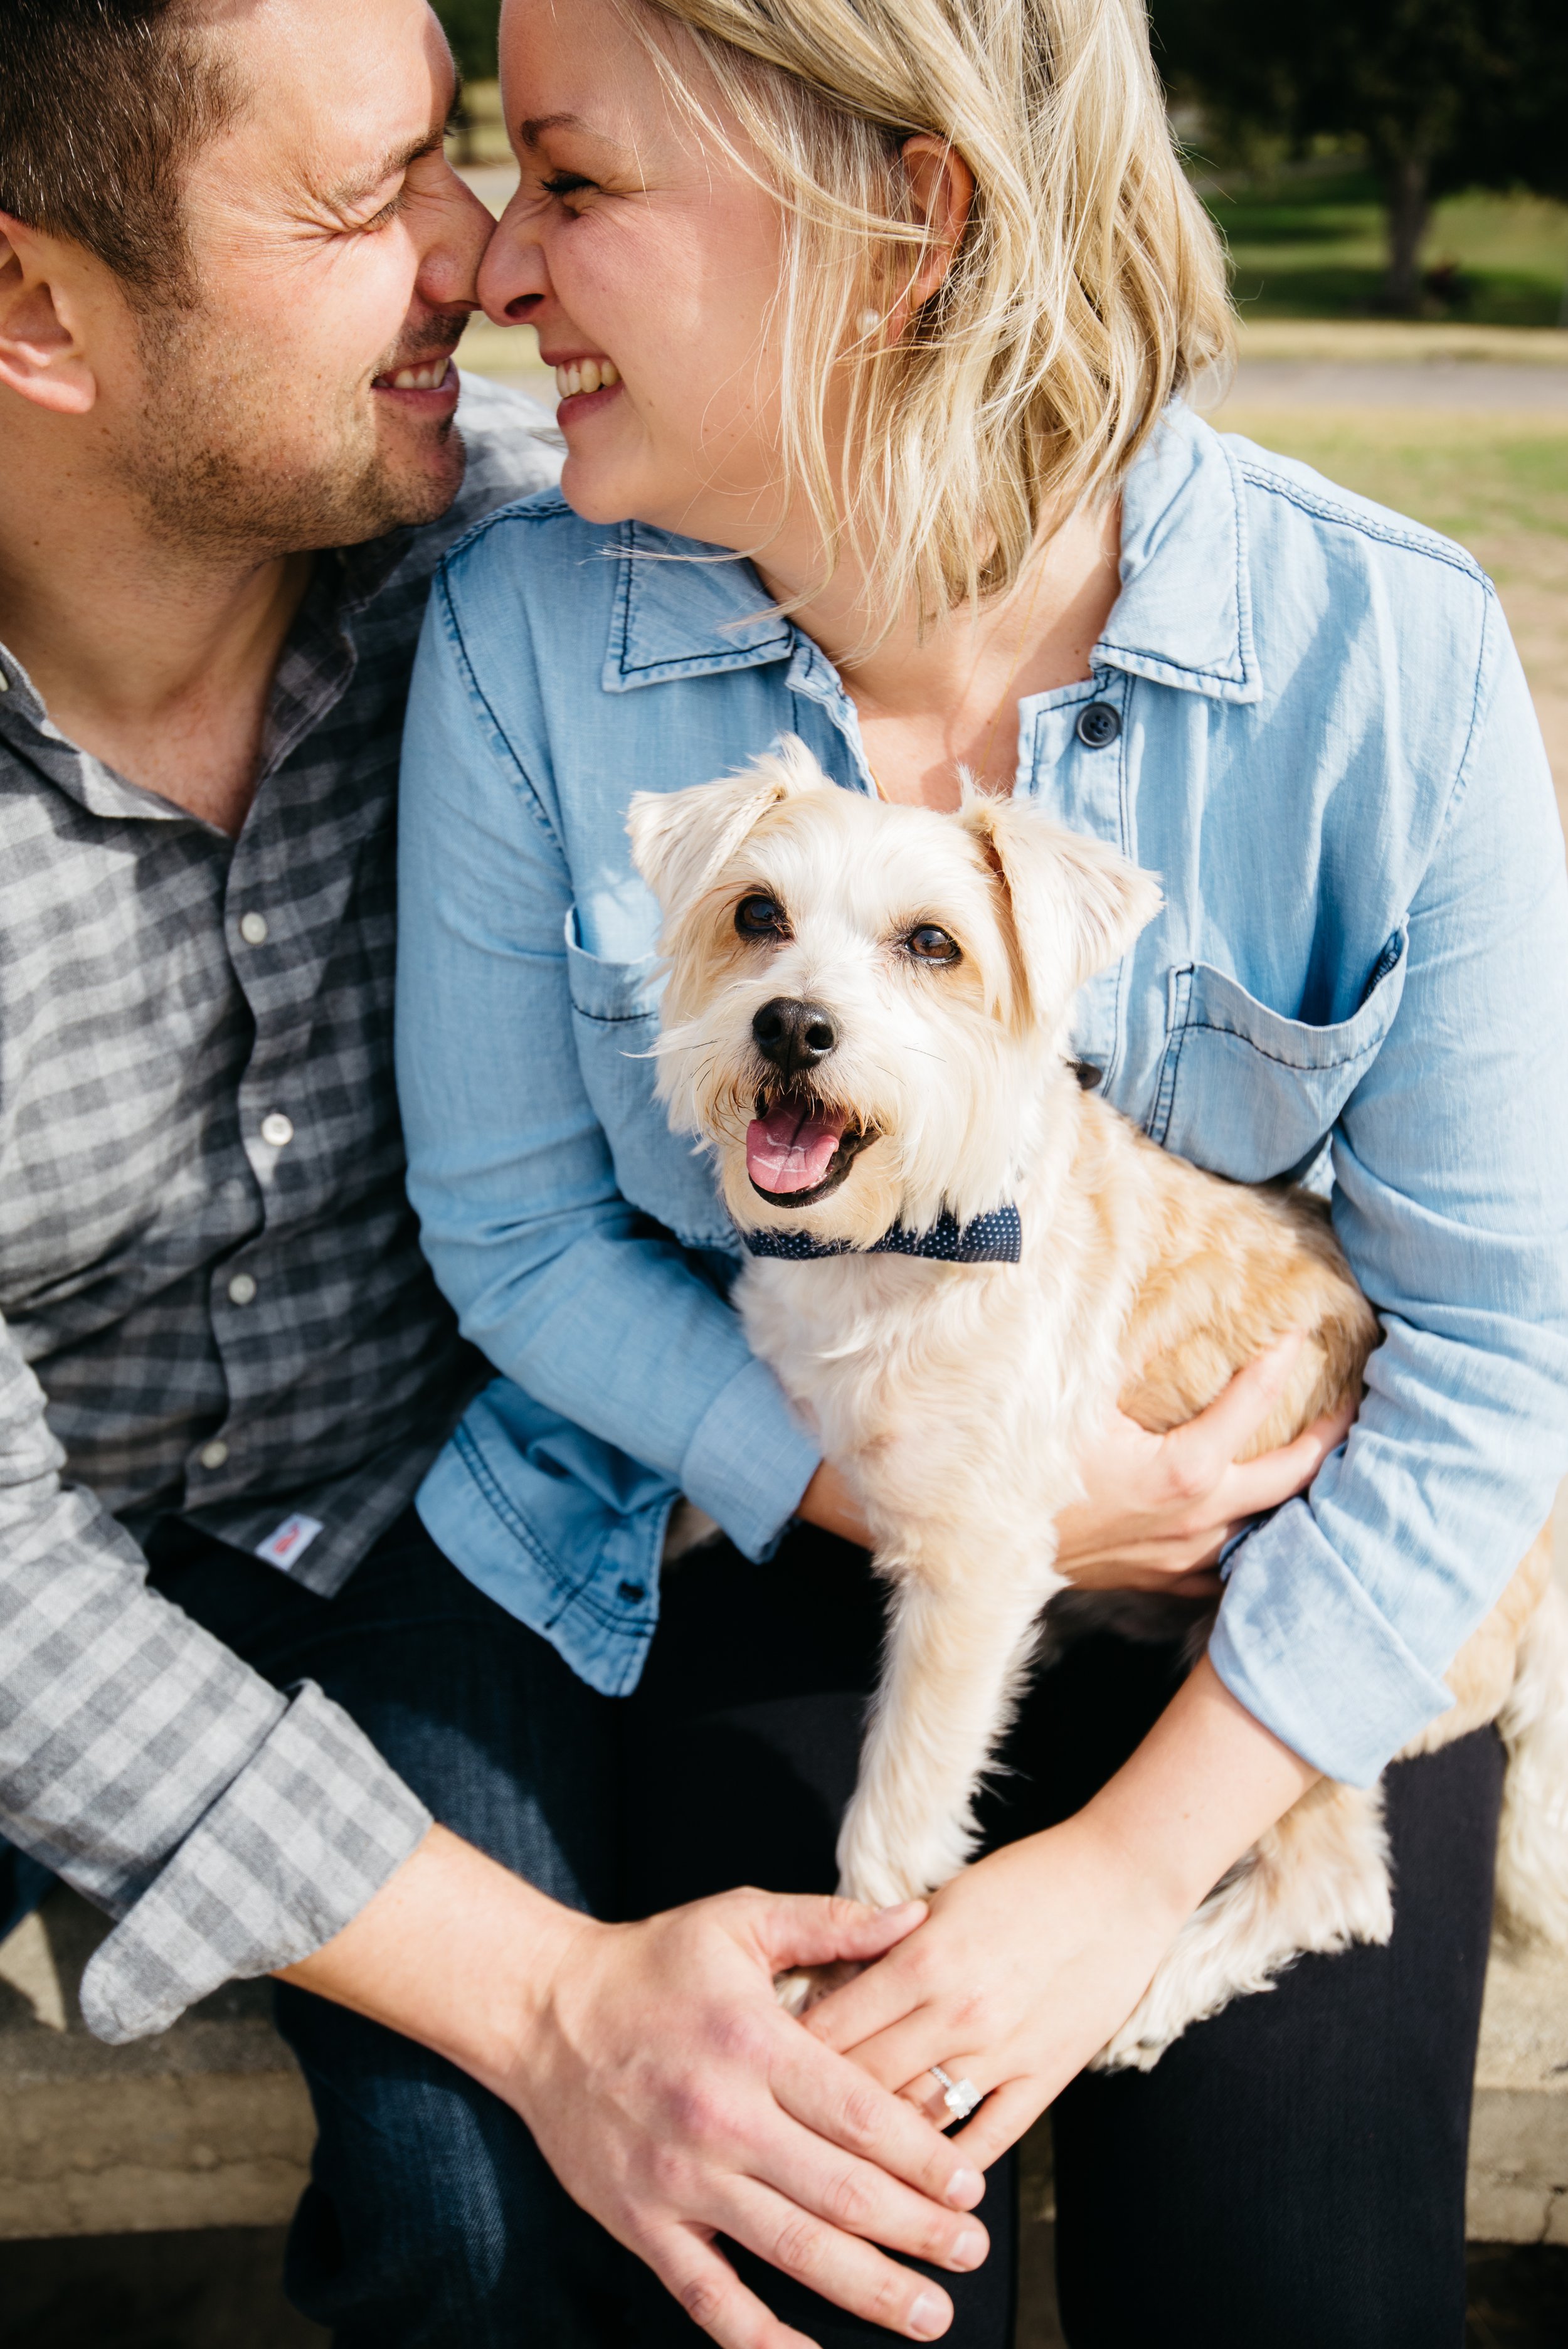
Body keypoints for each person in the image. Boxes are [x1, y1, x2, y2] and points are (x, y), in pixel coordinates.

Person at [395, 0, 1568, 2344]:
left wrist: (1124, 1878)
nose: (496, 267)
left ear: (905, 218)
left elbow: (1499, 1350)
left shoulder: (1384, 659)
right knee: (791, 2251)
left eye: (574, 178)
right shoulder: (525, 633)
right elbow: (520, 1228)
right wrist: (918, 1498)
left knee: (1282, 2290)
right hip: (761, 1516)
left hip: (1281, 1594)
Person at [0, 4, 994, 2345]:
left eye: (458, 160)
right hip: (49, 1574)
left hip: (432, 1525)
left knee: (507, 2221)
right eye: (362, 207)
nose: (476, 257)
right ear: (39, 306)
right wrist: (547, 1998)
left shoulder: (534, 599)